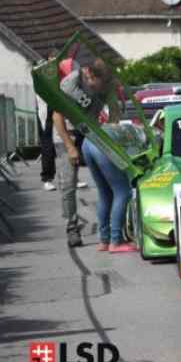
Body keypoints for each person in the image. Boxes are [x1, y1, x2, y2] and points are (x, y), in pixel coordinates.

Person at [53, 55, 118, 247]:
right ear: (88, 73)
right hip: (67, 133)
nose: (100, 88)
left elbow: (114, 110)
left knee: (108, 179)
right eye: (98, 83)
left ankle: (111, 228)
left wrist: (112, 131)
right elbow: (57, 116)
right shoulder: (69, 84)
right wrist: (70, 147)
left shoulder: (105, 82)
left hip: (90, 130)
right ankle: (72, 228)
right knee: (68, 184)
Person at [81, 135, 136, 252]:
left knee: (104, 192)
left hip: (88, 140)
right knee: (123, 191)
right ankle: (116, 241)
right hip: (105, 140)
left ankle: (104, 240)